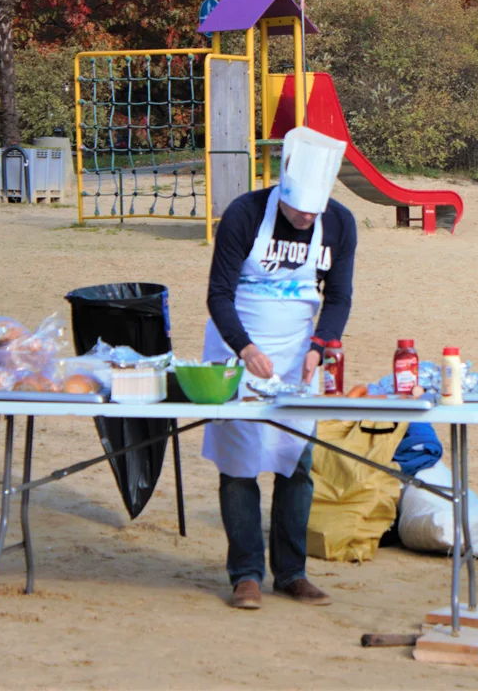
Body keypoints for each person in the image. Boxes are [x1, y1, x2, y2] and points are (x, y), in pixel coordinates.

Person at [203, 127, 357, 610]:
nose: (306, 219)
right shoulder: (244, 214)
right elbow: (218, 295)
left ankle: (291, 573)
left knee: (297, 462)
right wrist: (243, 347)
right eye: (297, 212)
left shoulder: (340, 223)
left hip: (296, 354)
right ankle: (245, 574)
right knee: (239, 464)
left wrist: (320, 345)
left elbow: (339, 296)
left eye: (313, 212)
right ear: (283, 191)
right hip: (237, 349)